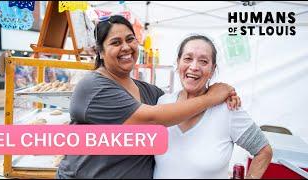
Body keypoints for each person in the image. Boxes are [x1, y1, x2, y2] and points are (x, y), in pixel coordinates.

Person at [56, 15, 241, 179]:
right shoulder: (93, 87)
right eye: (115, 42)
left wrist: (222, 92)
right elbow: (152, 119)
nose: (126, 47)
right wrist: (212, 98)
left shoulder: (150, 93)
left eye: (130, 39)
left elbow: (179, 106)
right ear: (101, 52)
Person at [153, 35, 273, 179]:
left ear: (212, 69)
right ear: (178, 63)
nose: (194, 67)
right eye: (188, 58)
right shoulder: (163, 103)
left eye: (203, 61)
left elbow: (263, 151)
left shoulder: (228, 109)